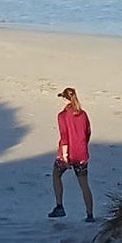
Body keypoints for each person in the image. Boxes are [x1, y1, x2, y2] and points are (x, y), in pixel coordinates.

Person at [51, 86, 95, 221]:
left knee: (56, 175)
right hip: (81, 154)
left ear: (65, 99)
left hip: (68, 153)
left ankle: (59, 206)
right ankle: (90, 214)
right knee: (84, 184)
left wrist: (65, 157)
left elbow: (64, 137)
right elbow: (88, 133)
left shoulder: (62, 116)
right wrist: (82, 146)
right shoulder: (83, 114)